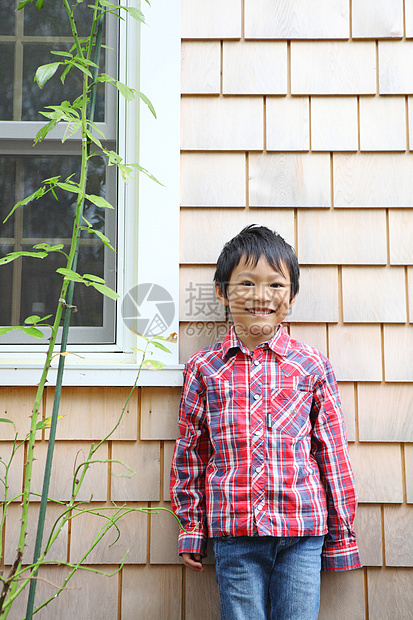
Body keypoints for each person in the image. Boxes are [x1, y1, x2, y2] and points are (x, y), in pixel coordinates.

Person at [170, 225, 361, 620]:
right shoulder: (204, 369)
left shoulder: (312, 365)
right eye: (246, 283)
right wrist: (192, 526)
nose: (261, 295)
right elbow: (191, 454)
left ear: (291, 295)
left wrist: (342, 535)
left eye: (276, 284)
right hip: (235, 532)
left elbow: (332, 452)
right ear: (222, 292)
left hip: (302, 531)